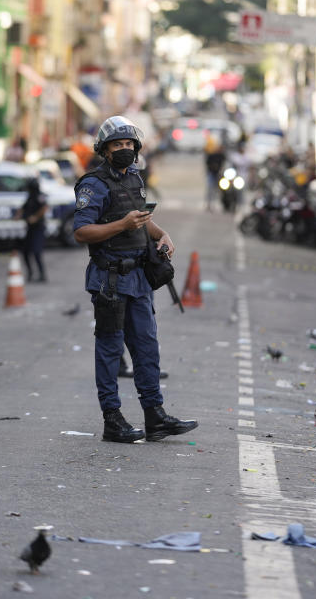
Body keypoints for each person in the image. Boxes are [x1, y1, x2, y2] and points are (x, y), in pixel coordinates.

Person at [73, 116, 198, 443]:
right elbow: (81, 231)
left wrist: (160, 233)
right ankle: (112, 420)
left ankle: (155, 416)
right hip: (110, 280)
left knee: (146, 350)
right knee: (110, 352)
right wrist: (122, 226)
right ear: (105, 149)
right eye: (118, 145)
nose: (125, 149)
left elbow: (141, 220)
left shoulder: (134, 180)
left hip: (139, 279)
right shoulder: (93, 184)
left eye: (129, 144)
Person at [17, 178, 47, 282]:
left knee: (36, 252)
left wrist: (35, 217)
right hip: (30, 228)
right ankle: (30, 273)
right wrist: (18, 215)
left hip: (38, 228)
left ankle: (42, 275)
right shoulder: (30, 196)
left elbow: (44, 208)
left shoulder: (40, 196)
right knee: (25, 252)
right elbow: (23, 207)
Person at [204, 140, 226, 212]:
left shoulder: (222, 156)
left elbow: (225, 164)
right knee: (210, 189)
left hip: (219, 175)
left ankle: (220, 204)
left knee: (221, 190)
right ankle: (209, 204)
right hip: (212, 174)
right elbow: (207, 164)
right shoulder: (211, 155)